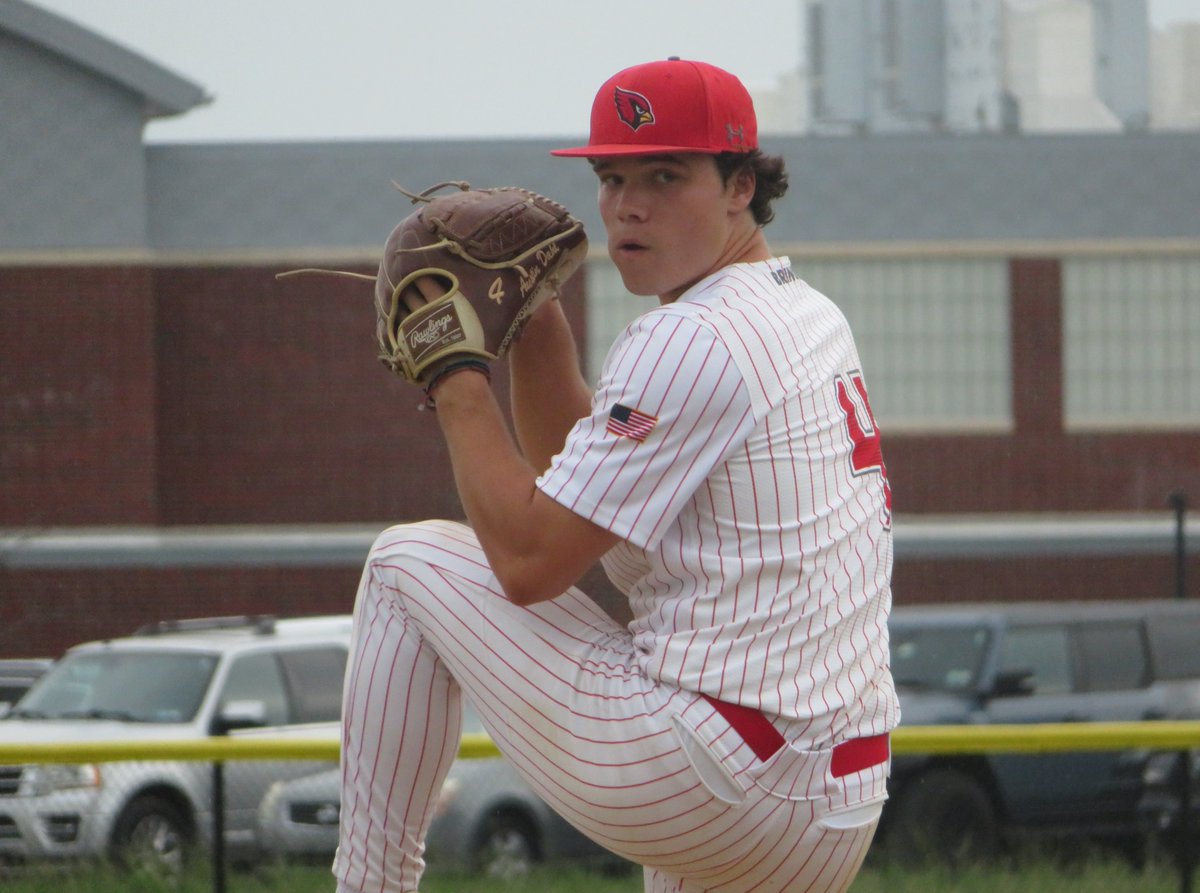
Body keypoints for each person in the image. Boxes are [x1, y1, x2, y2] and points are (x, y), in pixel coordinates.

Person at [334, 57, 899, 893]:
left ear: (740, 185)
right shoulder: (808, 315)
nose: (627, 204)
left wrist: (455, 376)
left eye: (665, 175)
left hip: (716, 777)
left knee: (403, 565)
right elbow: (585, 497)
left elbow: (530, 562)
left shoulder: (691, 336)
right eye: (612, 175)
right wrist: (532, 319)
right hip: (840, 797)